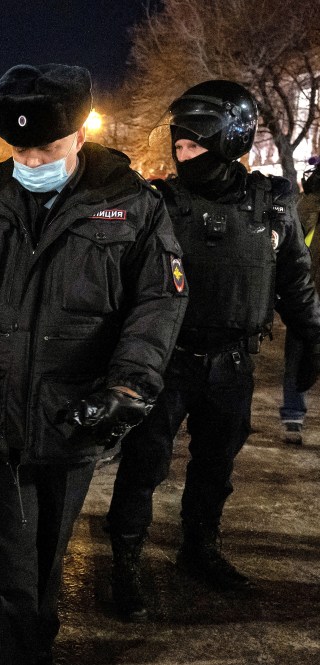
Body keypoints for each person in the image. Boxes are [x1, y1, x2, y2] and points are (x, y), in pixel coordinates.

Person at [0, 64, 188, 664]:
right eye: (19, 149)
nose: (31, 161)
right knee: (9, 558)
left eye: (46, 147)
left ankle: (30, 644)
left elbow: (159, 300)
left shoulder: (131, 204)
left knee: (46, 551)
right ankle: (12, 653)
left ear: (80, 135)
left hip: (77, 411)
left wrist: (129, 382)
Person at [106, 80, 320, 622]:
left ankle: (200, 546)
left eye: (194, 145)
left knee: (216, 464)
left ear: (230, 141)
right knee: (143, 463)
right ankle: (126, 558)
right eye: (178, 146)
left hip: (232, 361)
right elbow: (119, 283)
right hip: (166, 360)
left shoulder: (270, 204)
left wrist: (312, 332)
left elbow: (294, 279)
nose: (184, 155)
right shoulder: (159, 203)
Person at [279, 160, 320, 445]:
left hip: (306, 294)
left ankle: (293, 416)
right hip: (307, 293)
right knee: (298, 356)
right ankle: (293, 414)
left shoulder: (304, 205)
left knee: (298, 356)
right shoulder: (307, 206)